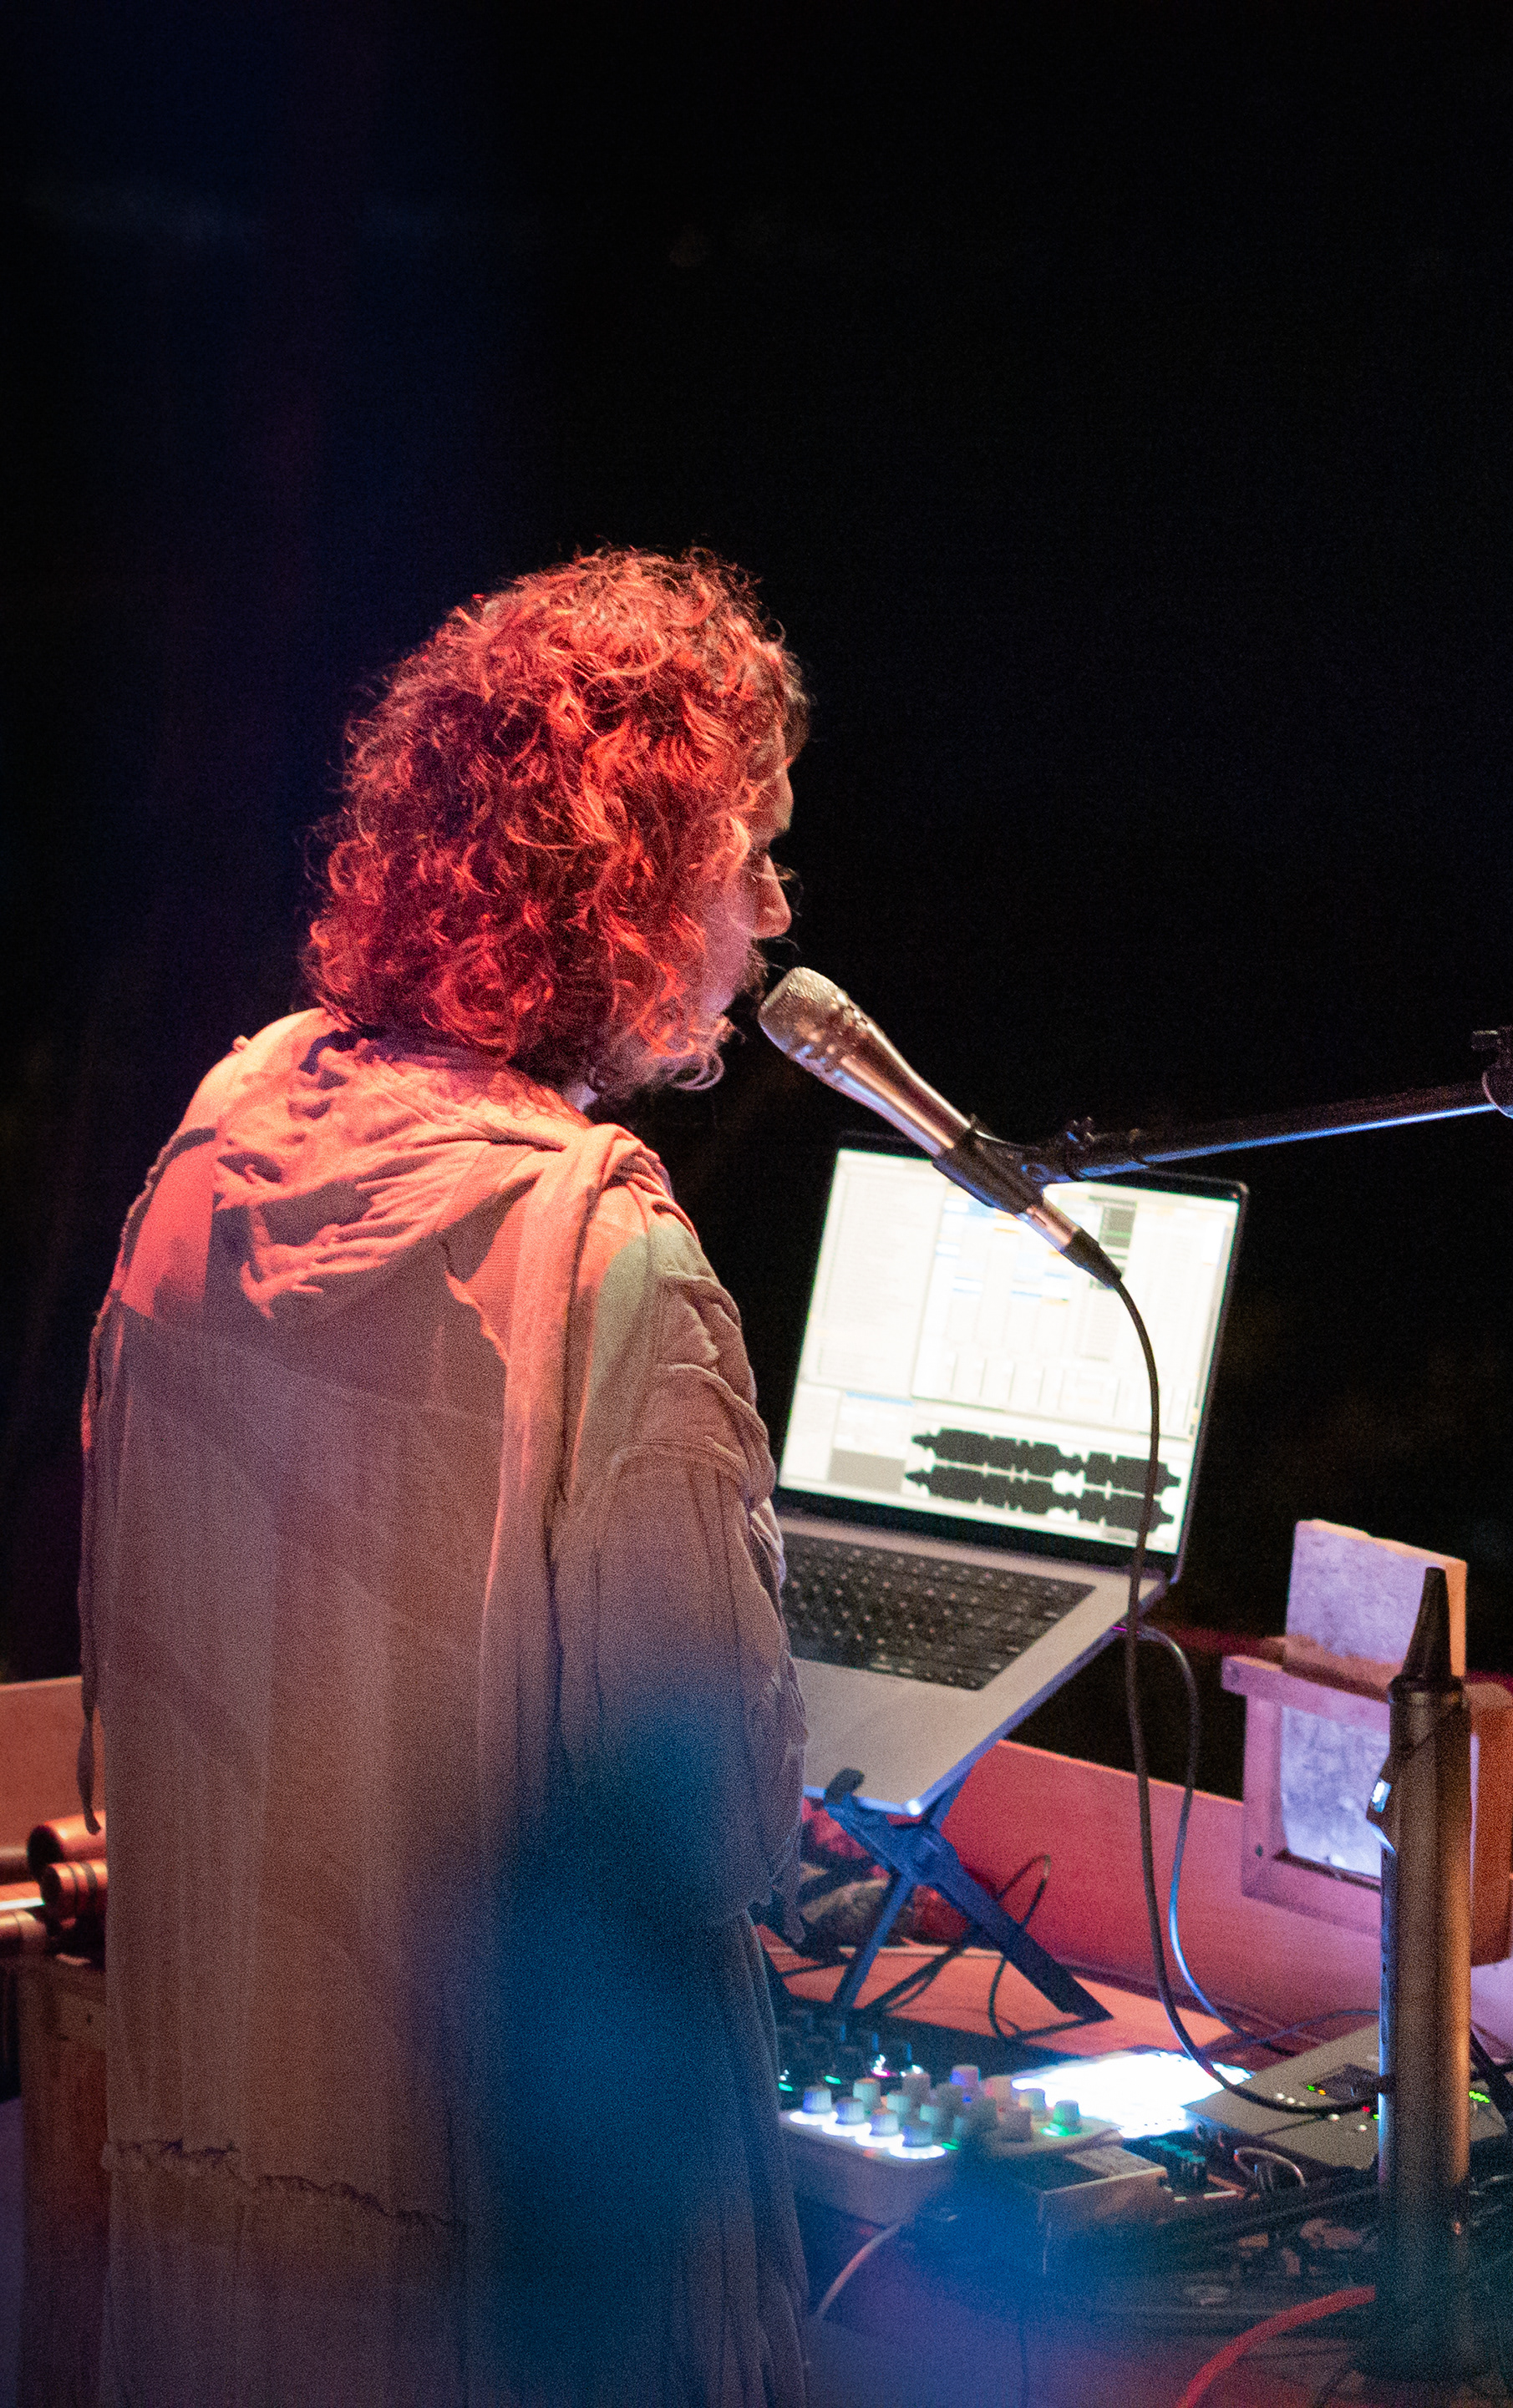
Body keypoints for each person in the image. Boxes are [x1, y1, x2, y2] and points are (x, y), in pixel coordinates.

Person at [78, 549, 813, 2404]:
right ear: (634, 888)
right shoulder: (610, 1258)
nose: (773, 910)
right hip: (517, 2261)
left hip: (230, 2210)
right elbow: (720, 1827)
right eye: (745, 857)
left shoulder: (213, 1145)